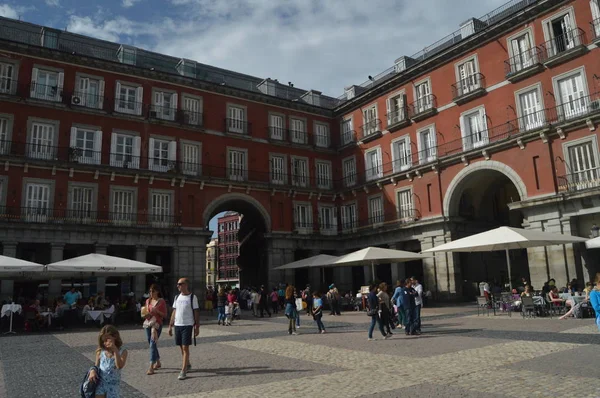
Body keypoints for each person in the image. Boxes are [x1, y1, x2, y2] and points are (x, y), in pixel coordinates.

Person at [168, 278, 199, 381]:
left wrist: (197, 326)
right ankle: (188, 363)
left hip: (187, 325)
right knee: (181, 347)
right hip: (178, 325)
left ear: (186, 285)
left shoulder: (192, 297)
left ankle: (183, 370)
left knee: (185, 348)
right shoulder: (177, 297)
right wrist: (170, 325)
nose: (178, 286)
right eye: (177, 284)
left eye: (180, 284)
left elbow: (196, 312)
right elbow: (174, 311)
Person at [88, 325, 128, 398]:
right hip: (101, 383)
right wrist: (92, 371)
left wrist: (115, 350)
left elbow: (119, 366)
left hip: (113, 385)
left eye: (107, 339)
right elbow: (96, 365)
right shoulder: (100, 351)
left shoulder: (123, 351)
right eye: (103, 341)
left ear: (115, 337)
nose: (105, 343)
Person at [143, 284, 166, 375]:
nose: (151, 293)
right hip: (148, 323)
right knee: (151, 343)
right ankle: (158, 361)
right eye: (150, 291)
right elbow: (146, 311)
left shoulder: (161, 302)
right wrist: (145, 314)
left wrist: (157, 311)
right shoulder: (148, 301)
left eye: (153, 291)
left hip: (157, 324)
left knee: (152, 343)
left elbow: (164, 315)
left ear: (157, 292)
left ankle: (151, 366)